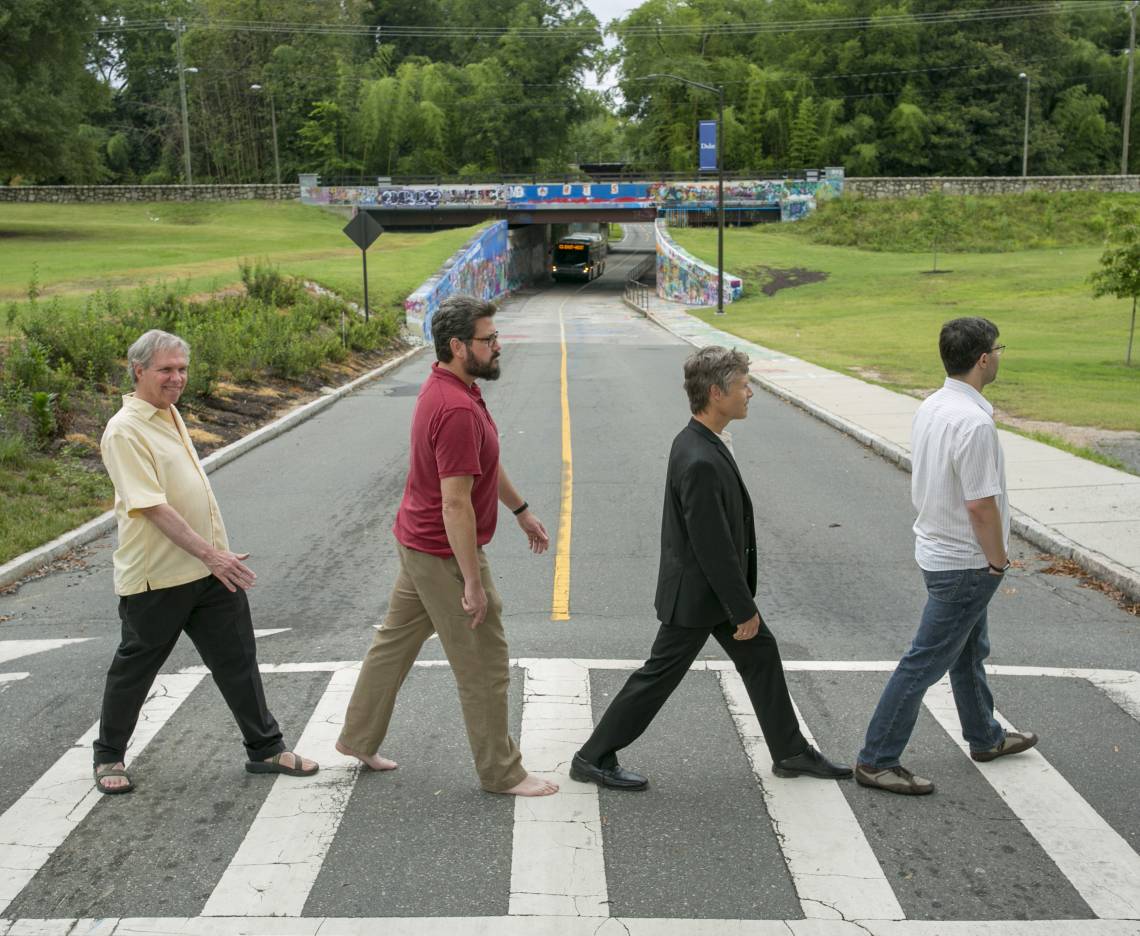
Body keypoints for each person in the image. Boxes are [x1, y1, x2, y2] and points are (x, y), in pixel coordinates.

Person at [571, 346, 852, 790]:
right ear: (718, 393)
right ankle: (593, 756)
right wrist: (742, 608)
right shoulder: (699, 458)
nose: (750, 394)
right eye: (743, 386)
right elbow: (712, 546)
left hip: (708, 592)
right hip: (700, 596)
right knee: (658, 677)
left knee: (761, 654)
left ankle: (791, 751)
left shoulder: (699, 441)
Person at [336, 295, 557, 798]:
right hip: (441, 552)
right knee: (483, 661)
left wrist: (521, 512)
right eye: (488, 339)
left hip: (416, 542)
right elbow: (455, 504)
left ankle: (357, 738)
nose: (498, 346)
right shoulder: (455, 407)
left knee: (394, 645)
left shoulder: (455, 388)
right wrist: (473, 583)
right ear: (458, 346)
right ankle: (502, 772)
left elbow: (484, 461)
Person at [94, 329, 317, 795]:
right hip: (159, 577)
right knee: (136, 669)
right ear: (138, 371)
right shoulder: (125, 430)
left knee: (238, 661)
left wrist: (214, 558)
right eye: (166, 370)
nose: (177, 378)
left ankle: (266, 749)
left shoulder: (168, 413)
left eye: (181, 369)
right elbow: (151, 506)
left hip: (210, 570)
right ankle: (108, 756)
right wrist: (211, 553)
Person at [855, 317, 1037, 796]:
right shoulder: (974, 422)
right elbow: (980, 505)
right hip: (965, 563)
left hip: (937, 552)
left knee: (968, 650)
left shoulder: (933, 405)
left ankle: (986, 737)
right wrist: (997, 561)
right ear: (982, 359)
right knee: (924, 663)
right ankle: (876, 760)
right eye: (998, 348)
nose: (1000, 355)